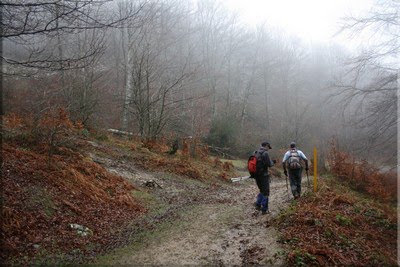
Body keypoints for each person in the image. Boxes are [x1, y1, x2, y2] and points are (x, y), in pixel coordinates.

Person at [253, 141, 275, 215]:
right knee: (266, 192)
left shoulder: (256, 152)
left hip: (256, 175)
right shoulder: (265, 153)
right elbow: (269, 164)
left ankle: (258, 205)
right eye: (268, 147)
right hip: (264, 175)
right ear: (266, 146)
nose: (268, 149)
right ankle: (264, 210)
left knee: (261, 190)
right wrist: (273, 162)